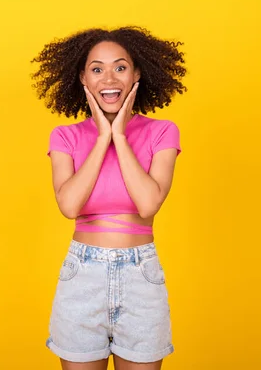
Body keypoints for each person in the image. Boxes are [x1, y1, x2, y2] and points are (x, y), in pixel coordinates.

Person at [31, 26, 187, 370]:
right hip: (82, 275)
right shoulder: (65, 136)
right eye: (97, 69)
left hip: (140, 274)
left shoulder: (162, 132)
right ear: (83, 79)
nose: (109, 78)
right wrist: (103, 136)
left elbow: (148, 204)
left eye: (120, 67)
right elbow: (69, 206)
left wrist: (120, 133)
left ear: (137, 74)